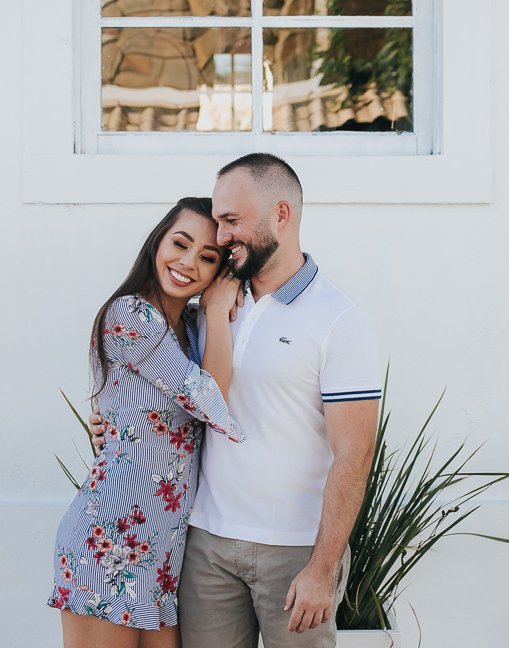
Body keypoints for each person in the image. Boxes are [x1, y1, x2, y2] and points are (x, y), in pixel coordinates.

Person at [92, 154, 382, 648]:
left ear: (282, 216)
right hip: (204, 545)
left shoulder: (339, 320)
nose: (221, 237)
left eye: (231, 221)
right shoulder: (204, 305)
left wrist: (323, 567)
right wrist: (111, 424)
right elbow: (157, 394)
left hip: (293, 553)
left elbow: (355, 454)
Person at [50, 196, 245, 648]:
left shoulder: (194, 327)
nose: (188, 262)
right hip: (107, 542)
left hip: (163, 549)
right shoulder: (130, 315)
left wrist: (213, 314)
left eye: (207, 257)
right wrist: (218, 311)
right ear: (158, 241)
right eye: (180, 243)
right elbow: (209, 398)